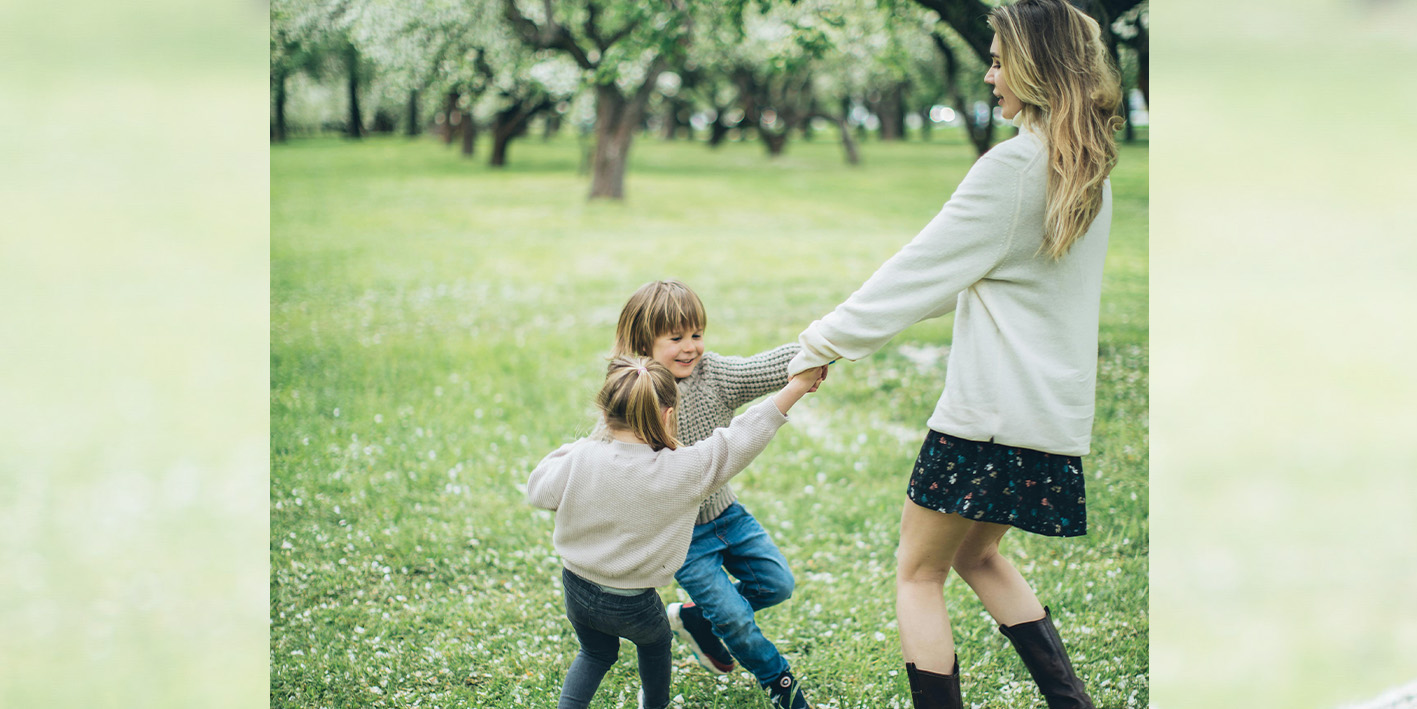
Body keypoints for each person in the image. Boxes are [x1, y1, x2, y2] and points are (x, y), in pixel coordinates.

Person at [784, 1, 1125, 707]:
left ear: (1036, 68)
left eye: (999, 61)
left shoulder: (1013, 169)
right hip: (1047, 420)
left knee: (918, 573)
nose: (988, 75)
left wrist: (818, 343)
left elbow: (914, 273)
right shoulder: (1085, 172)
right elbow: (968, 275)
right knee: (978, 553)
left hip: (985, 422)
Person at [527, 356, 824, 709]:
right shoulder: (684, 469)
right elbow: (742, 437)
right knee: (655, 645)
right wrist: (797, 386)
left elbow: (538, 491)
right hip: (634, 604)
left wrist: (582, 447)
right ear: (668, 416)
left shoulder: (581, 457)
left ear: (605, 414)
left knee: (594, 653)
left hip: (577, 591)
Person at [610, 279, 825, 709]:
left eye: (696, 334)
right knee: (735, 620)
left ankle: (694, 619)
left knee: (777, 584)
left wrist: (816, 353)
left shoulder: (714, 375)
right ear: (644, 342)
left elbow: (762, 367)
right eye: (676, 338)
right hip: (683, 536)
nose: (691, 347)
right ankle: (781, 684)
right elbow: (615, 458)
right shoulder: (634, 391)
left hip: (728, 516)